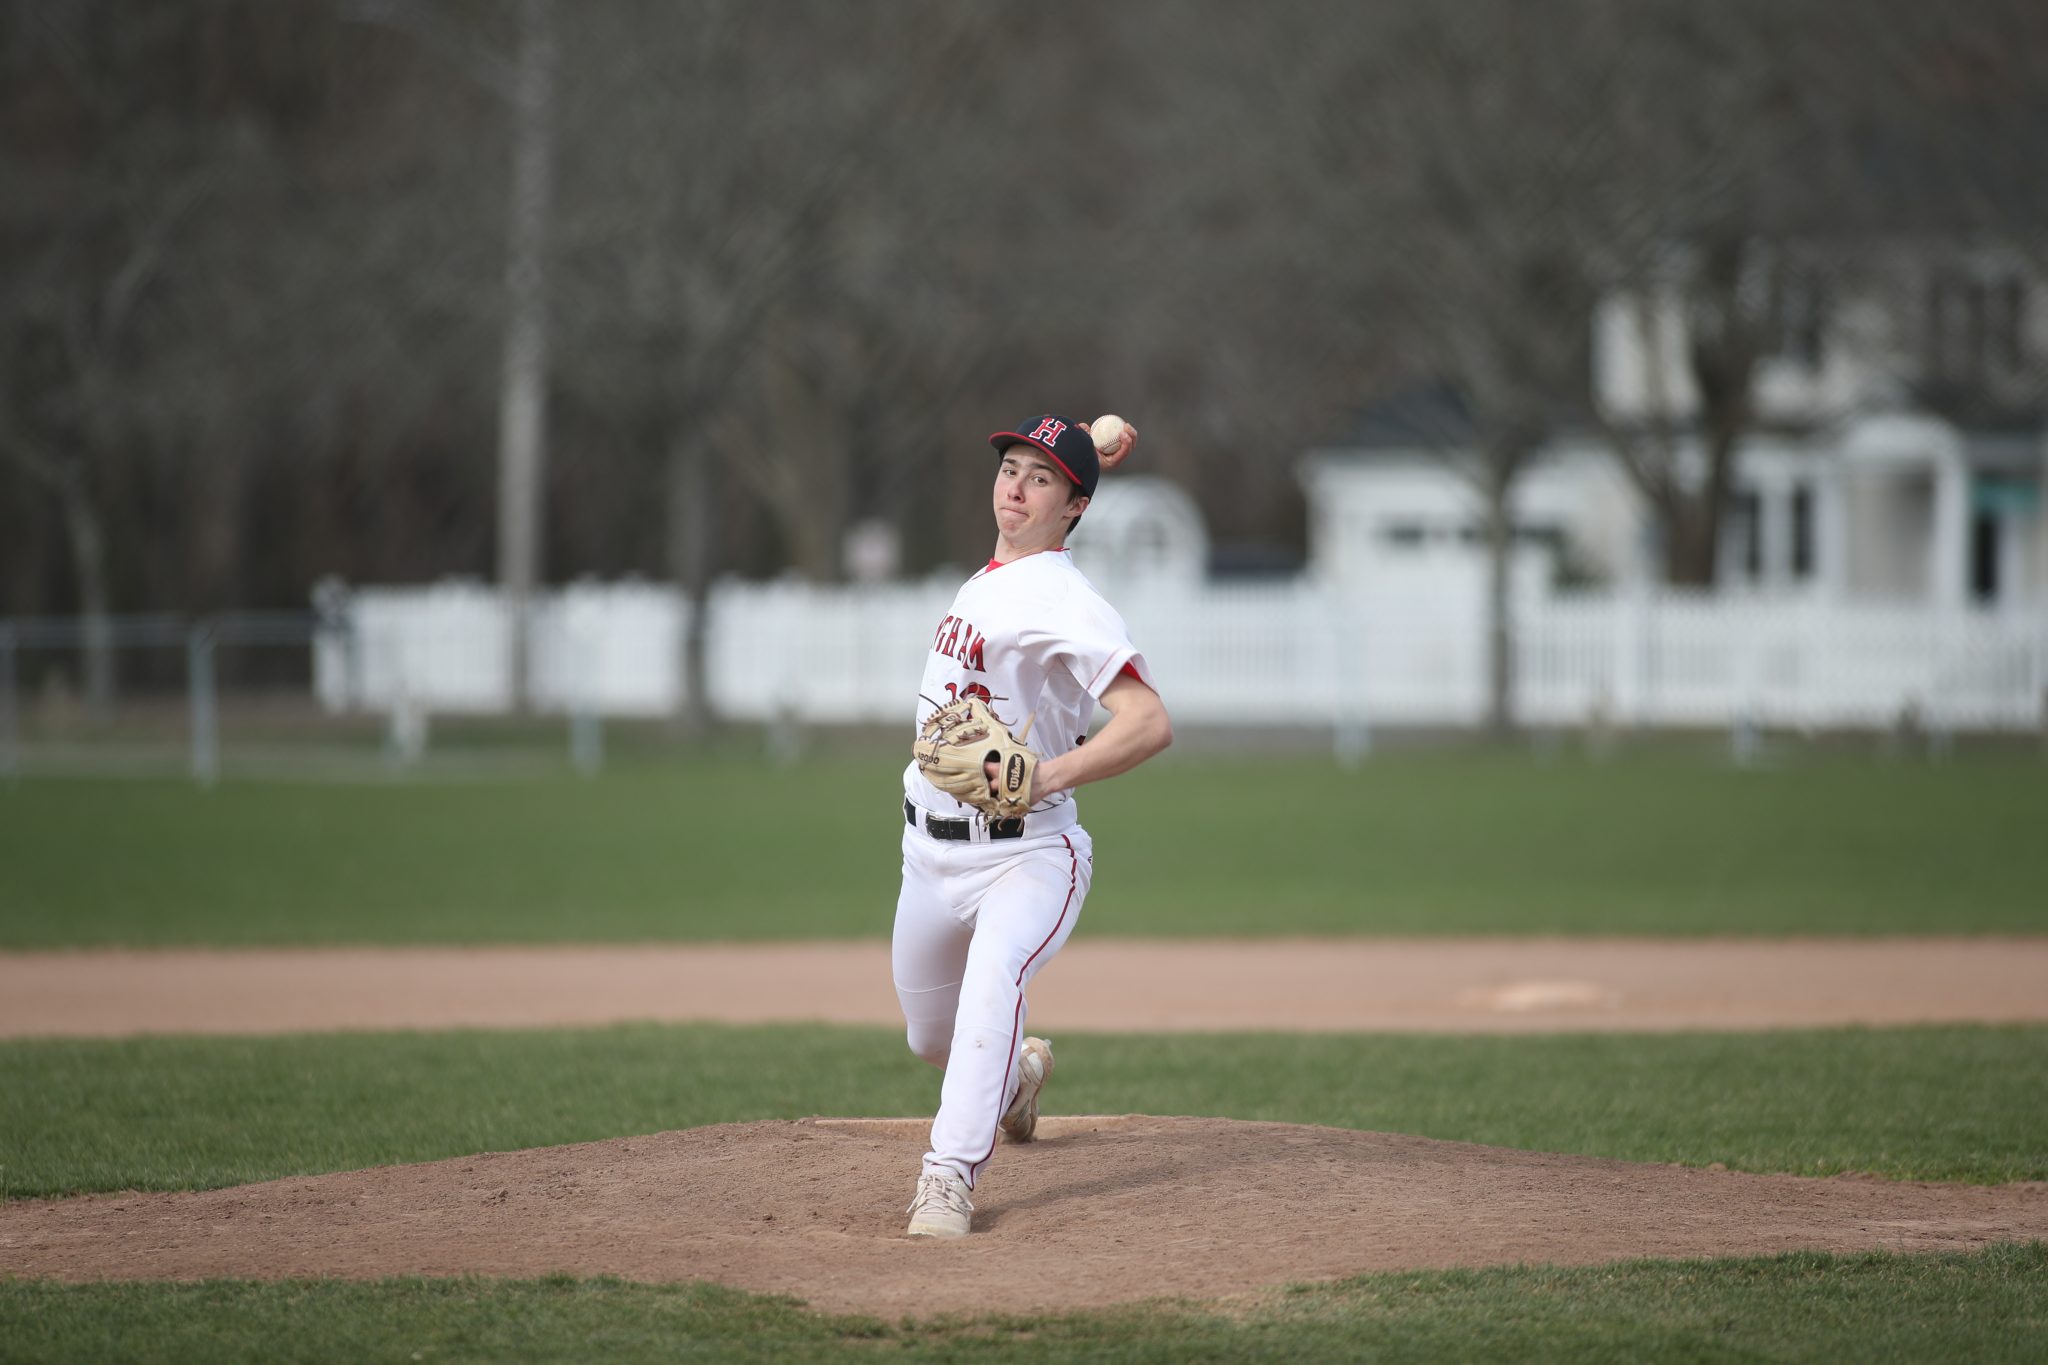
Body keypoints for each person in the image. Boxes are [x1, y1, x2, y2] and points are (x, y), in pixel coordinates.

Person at [894, 413, 1173, 1239]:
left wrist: (1045, 775)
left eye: (1039, 477)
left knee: (994, 984)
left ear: (1074, 507)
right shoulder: (990, 578)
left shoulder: (1065, 598)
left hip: (1029, 854)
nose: (1013, 485)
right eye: (1010, 467)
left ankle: (947, 1175)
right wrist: (1081, 446)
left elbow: (1147, 722)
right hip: (927, 853)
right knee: (929, 1037)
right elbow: (1060, 479)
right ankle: (1015, 1080)